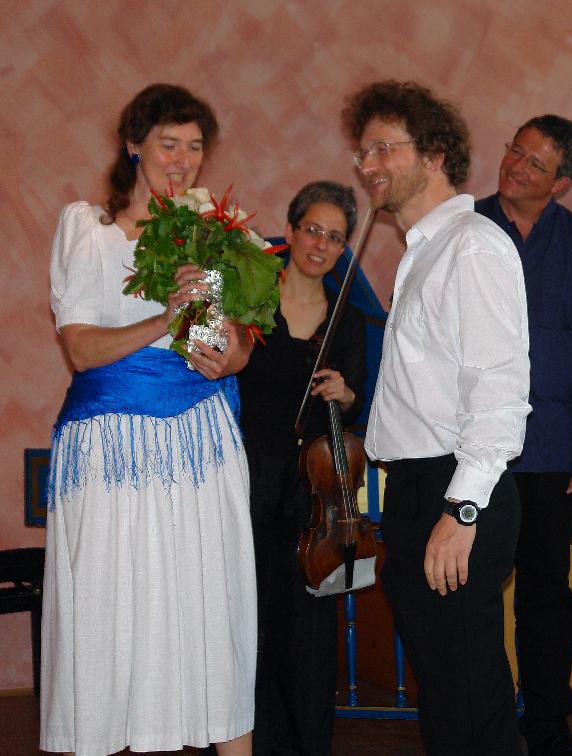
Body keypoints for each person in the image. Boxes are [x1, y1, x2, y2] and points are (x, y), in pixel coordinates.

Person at [42, 84, 256, 755]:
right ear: (133, 145)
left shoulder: (207, 234)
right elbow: (81, 349)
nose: (182, 160)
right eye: (169, 144)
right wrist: (165, 316)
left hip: (199, 442)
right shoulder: (89, 228)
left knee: (210, 607)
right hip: (111, 446)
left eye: (195, 147)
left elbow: (220, 352)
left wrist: (228, 352)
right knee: (111, 613)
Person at [343, 80, 531, 756]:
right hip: (419, 489)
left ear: (434, 154)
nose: (368, 166)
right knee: (448, 698)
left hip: (455, 490)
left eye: (382, 149)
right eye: (362, 153)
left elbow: (498, 391)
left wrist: (461, 510)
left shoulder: (471, 246)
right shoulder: (426, 249)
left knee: (471, 700)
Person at [474, 114, 572, 756]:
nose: (516, 166)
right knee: (471, 588)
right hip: (470, 448)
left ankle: (547, 722)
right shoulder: (461, 229)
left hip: (551, 447)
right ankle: (482, 723)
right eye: (515, 151)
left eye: (536, 163)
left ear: (561, 182)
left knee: (546, 591)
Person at [237, 181, 367, 755]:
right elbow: (202, 361)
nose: (321, 245)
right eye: (312, 230)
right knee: (250, 621)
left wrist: (346, 394)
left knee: (309, 628)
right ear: (289, 231)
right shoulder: (248, 300)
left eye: (335, 238)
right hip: (246, 482)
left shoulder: (349, 322)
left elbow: (357, 405)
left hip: (313, 498)